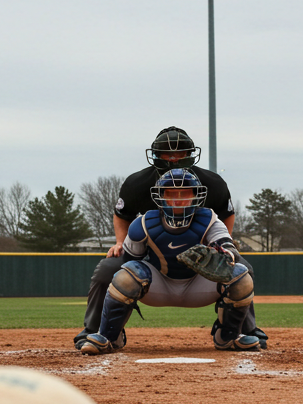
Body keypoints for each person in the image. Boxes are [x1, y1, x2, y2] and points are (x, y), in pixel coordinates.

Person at [73, 127, 267, 351]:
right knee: (110, 269)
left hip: (200, 253)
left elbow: (226, 215)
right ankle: (98, 330)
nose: (173, 157)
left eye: (180, 152)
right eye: (166, 153)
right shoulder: (137, 185)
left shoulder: (212, 183)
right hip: (150, 257)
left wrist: (223, 248)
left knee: (242, 269)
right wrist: (119, 242)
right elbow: (122, 216)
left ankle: (243, 330)